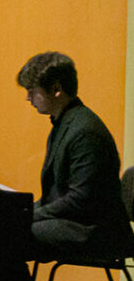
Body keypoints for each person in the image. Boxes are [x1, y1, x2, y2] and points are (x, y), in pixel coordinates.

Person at [16, 51, 134, 266]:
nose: (28, 98)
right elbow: (57, 195)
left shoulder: (84, 132)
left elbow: (81, 201)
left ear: (57, 89)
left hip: (94, 231)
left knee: (4, 238)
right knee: (3, 232)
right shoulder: (65, 122)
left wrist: (29, 216)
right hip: (78, 221)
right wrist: (21, 213)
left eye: (32, 91)